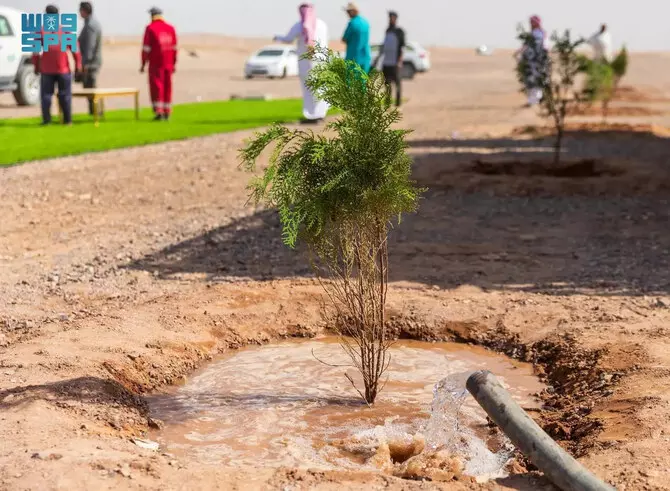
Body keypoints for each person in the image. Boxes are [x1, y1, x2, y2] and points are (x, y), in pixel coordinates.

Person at [274, 4, 329, 124]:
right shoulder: (322, 24)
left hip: (307, 62)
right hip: (322, 61)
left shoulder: (301, 25)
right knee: (320, 88)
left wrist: (277, 37)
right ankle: (320, 114)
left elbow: (288, 39)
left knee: (310, 89)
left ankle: (312, 116)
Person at [32, 4, 82, 125]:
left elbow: (35, 52)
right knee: (65, 96)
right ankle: (67, 120)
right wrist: (78, 66)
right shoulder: (65, 31)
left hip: (46, 69)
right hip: (63, 69)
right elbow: (75, 50)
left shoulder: (41, 31)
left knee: (46, 96)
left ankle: (47, 120)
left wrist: (36, 66)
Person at [140, 7, 178, 121]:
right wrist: (174, 63)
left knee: (157, 87)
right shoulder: (170, 28)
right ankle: (167, 111)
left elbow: (146, 49)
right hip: (168, 63)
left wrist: (143, 64)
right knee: (167, 87)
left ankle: (159, 112)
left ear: (152, 15)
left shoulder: (150, 28)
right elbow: (174, 48)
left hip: (156, 64)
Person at [515, 15, 549, 107]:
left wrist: (520, 53)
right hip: (536, 60)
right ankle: (535, 99)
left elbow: (531, 46)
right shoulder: (541, 33)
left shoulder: (537, 34)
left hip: (535, 60)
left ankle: (534, 101)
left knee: (533, 80)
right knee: (536, 80)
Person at [373, 10, 405, 106]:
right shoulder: (387, 30)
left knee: (397, 84)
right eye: (389, 18)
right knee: (387, 84)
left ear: (395, 19)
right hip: (386, 62)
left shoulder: (399, 32)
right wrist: (378, 58)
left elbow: (402, 47)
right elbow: (384, 46)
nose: (390, 19)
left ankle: (398, 103)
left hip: (395, 63)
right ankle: (388, 102)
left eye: (391, 17)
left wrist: (399, 61)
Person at [78, 2, 103, 116]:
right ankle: (94, 111)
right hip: (91, 62)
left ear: (85, 11)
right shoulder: (90, 23)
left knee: (91, 88)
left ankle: (96, 111)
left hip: (91, 63)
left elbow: (89, 46)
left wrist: (85, 64)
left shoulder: (90, 25)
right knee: (88, 87)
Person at [342, 2, 371, 73]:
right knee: (363, 81)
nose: (347, 14)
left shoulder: (352, 23)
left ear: (352, 11)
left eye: (348, 12)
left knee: (351, 81)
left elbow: (344, 39)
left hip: (353, 57)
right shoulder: (366, 22)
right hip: (365, 57)